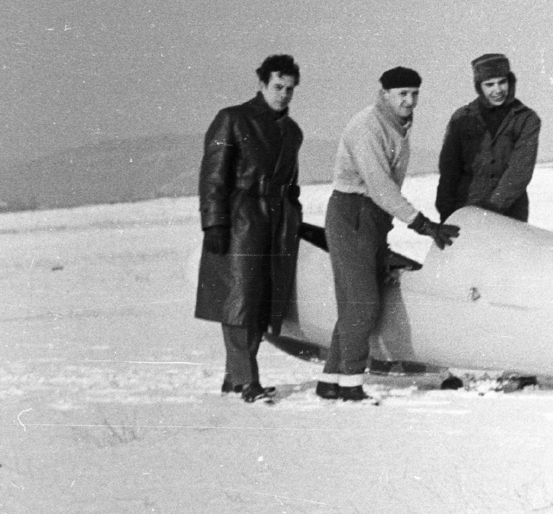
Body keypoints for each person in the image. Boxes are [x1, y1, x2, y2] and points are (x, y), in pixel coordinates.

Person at [319, 67, 460, 402]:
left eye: (414, 94)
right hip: (352, 213)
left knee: (354, 304)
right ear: (384, 94)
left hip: (373, 218)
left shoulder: (397, 125)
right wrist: (423, 225)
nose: (409, 101)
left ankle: (330, 380)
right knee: (364, 304)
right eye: (402, 94)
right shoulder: (367, 126)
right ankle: (350, 385)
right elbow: (380, 187)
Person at [195, 54, 305, 404]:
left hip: (277, 223)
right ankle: (246, 380)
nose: (283, 94)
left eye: (289, 89)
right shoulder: (233, 119)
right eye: (277, 87)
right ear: (261, 84)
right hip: (241, 220)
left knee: (262, 303)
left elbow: (293, 184)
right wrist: (214, 222)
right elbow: (213, 175)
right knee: (239, 302)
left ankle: (234, 378)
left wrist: (294, 216)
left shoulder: (292, 132)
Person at [435, 52, 542, 223]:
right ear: (479, 87)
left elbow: (520, 170)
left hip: (510, 212)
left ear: (510, 81)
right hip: (467, 209)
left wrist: (494, 207)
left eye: (502, 82)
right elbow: (449, 169)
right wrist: (446, 213)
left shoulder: (526, 119)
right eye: (489, 84)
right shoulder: (461, 118)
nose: (497, 90)